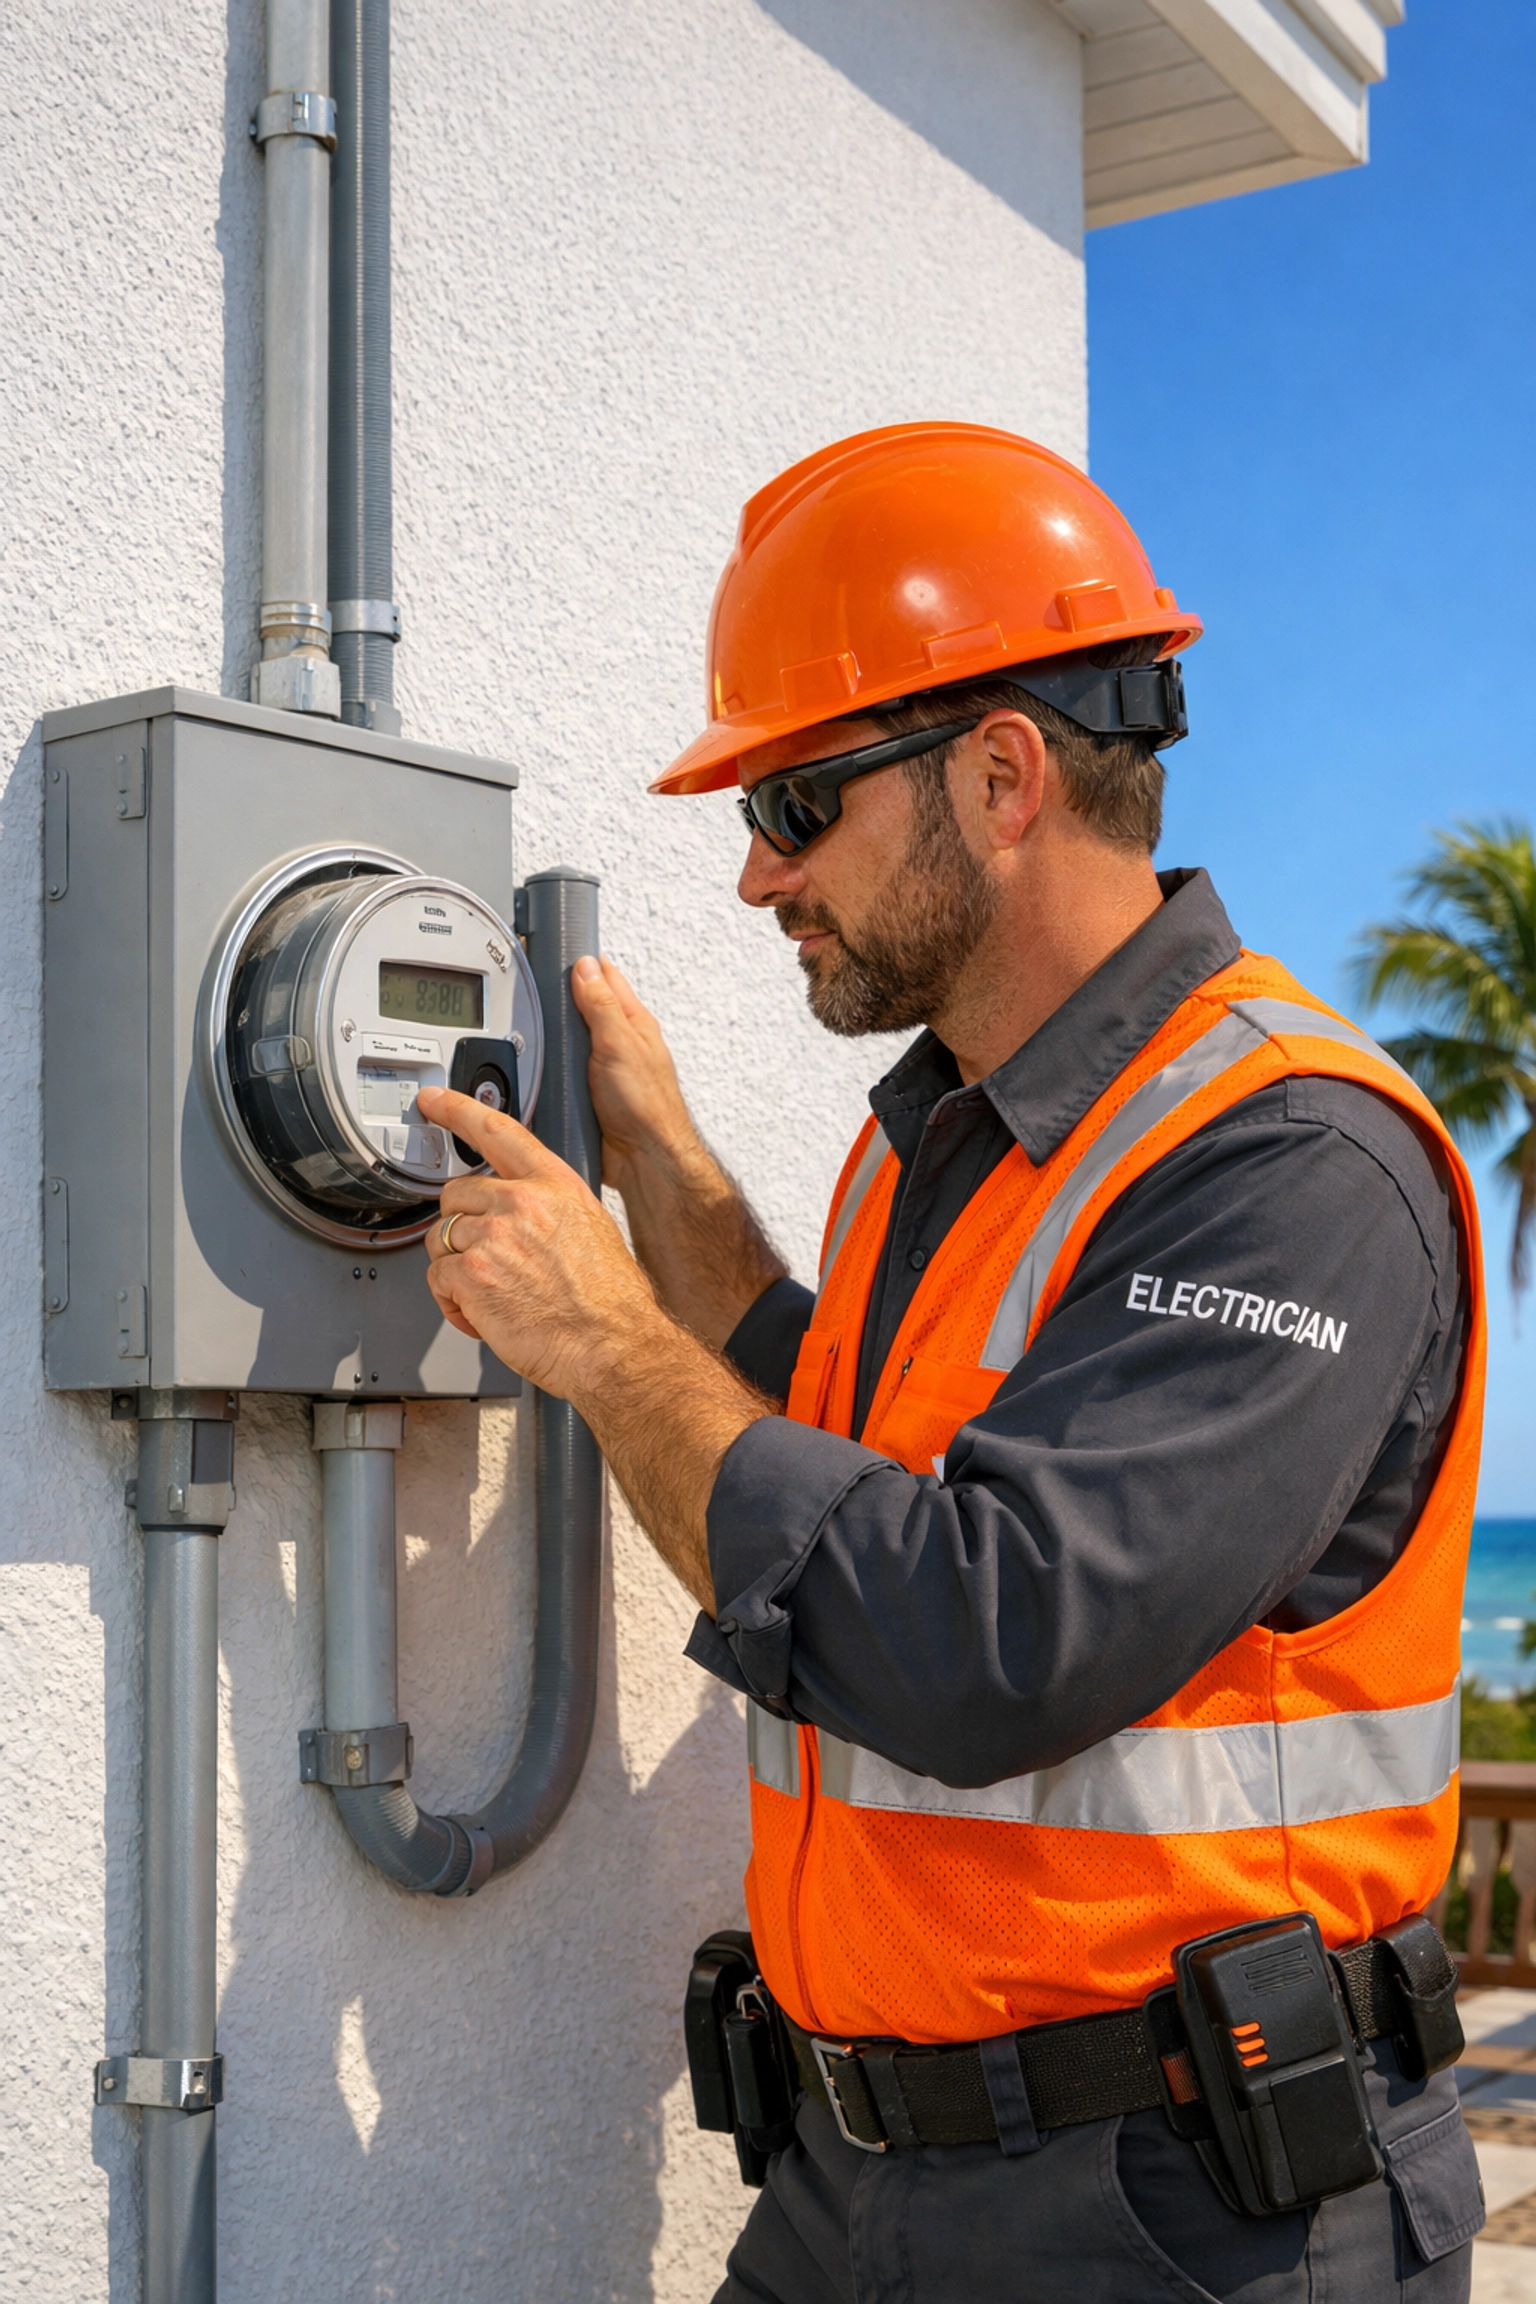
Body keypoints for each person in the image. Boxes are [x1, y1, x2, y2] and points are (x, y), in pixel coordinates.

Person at [417, 423, 1486, 2302]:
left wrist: (597, 1338)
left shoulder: (1288, 1161)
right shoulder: (954, 1140)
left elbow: (983, 1636)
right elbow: (840, 1428)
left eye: (799, 803)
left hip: (1180, 2221)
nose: (756, 875)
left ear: (1000, 778)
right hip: (865, 2184)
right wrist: (667, 1189)